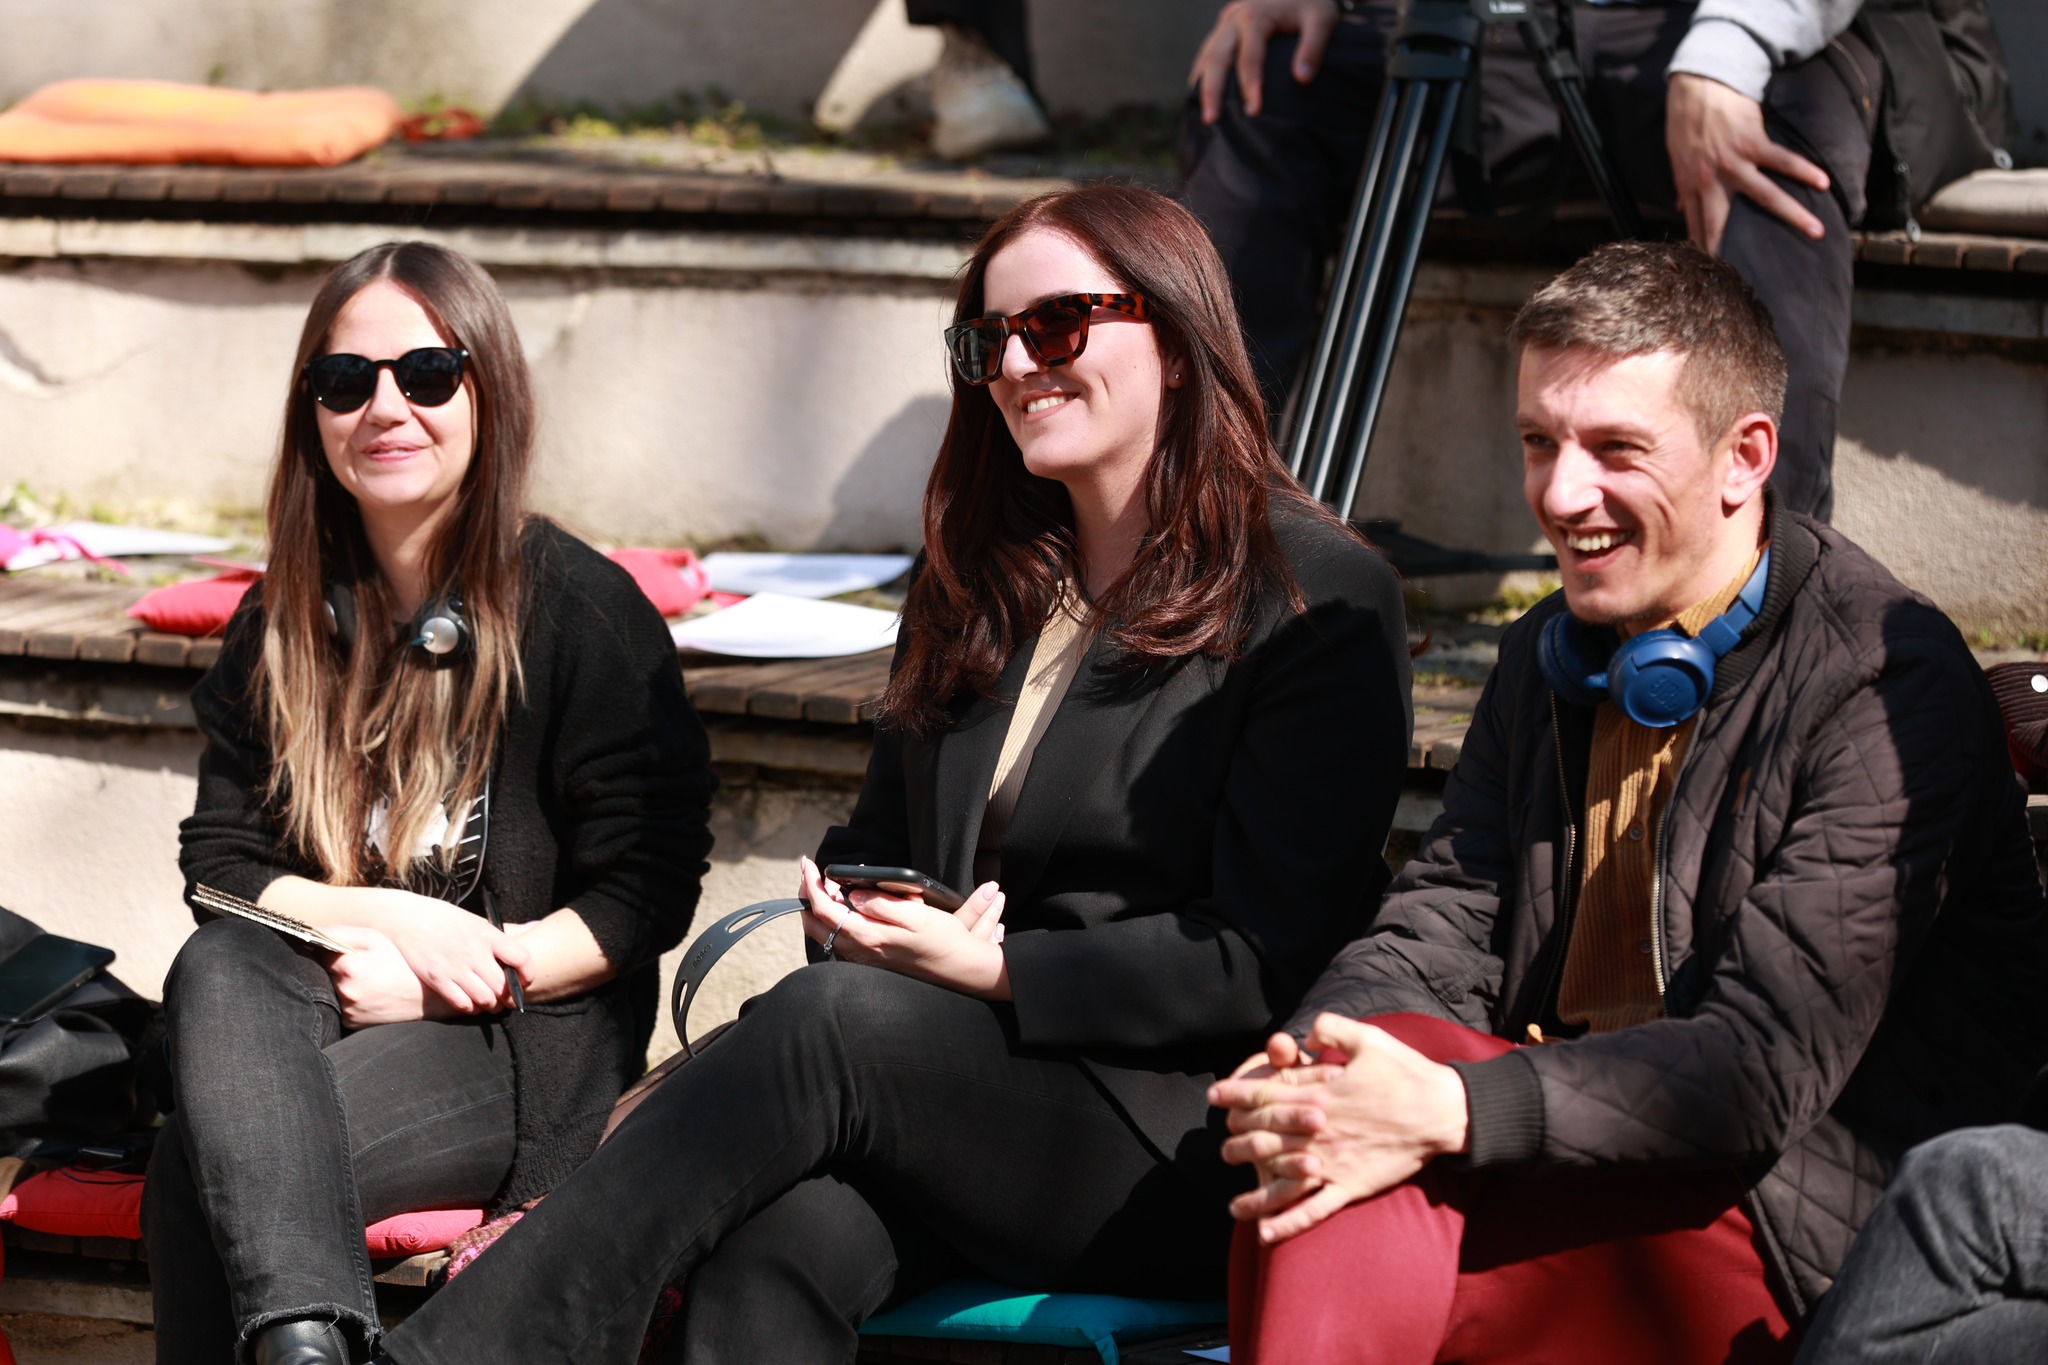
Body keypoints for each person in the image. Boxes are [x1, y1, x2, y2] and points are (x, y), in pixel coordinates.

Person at [370, 184, 1415, 1364]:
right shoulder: (982, 581)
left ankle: (465, 1351)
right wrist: (862, 916)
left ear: (1175, 340)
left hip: (1174, 1134)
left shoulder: (1312, 597)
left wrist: (996, 970)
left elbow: (1257, 957)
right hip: (944, 1087)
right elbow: (883, 841)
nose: (1014, 365)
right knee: (777, 1252)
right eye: (986, 340)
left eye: (1056, 326)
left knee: (835, 1024)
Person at [1210, 240, 2048, 1363]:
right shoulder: (1545, 650)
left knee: (1341, 1186)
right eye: (1537, 442)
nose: (1560, 496)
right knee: (1336, 1116)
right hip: (1561, 1139)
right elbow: (1441, 922)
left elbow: (1755, 1068)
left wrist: (1447, 1108)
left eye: (1614, 449)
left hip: (1784, 1215)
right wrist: (1318, 1061)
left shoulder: (1888, 685)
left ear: (1745, 457)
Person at [144, 241, 716, 1365]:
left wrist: (469, 972)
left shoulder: (580, 612)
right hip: (324, 1006)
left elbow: (646, 889)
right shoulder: (281, 620)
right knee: (220, 962)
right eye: (344, 380)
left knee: (196, 1168)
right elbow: (221, 861)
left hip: (517, 1035)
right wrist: (397, 921)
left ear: (486, 391)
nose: (385, 408)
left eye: (426, 373)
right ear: (312, 411)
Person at [1180, 0, 1896, 521]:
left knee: (1766, 133)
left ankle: (1762, 599)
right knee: (1261, 85)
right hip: (1488, 32)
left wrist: (1731, 47)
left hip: (1725, 26)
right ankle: (1193, 547)